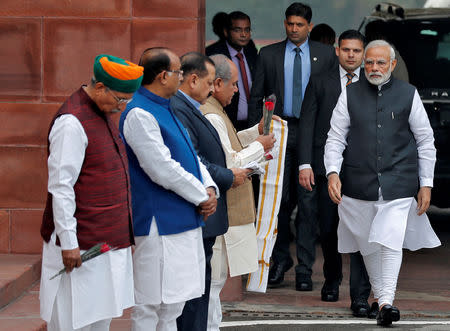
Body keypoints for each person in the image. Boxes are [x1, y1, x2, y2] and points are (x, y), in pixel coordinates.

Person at [325, 40, 441, 326]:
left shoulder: (408, 94)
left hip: (398, 182)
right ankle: (382, 297)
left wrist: (426, 183)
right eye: (369, 63)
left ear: (391, 64)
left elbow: (426, 140)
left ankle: (387, 301)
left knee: (389, 241)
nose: (374, 68)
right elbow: (335, 137)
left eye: (380, 63)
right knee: (368, 246)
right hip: (357, 184)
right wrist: (332, 172)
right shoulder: (349, 94)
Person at [39, 54, 143, 331]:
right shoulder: (71, 122)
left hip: (107, 242)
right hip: (81, 245)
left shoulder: (102, 111)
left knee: (99, 320)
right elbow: (61, 186)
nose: (122, 107)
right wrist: (69, 241)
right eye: (120, 99)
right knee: (74, 321)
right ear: (99, 88)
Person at [119, 47, 218, 331]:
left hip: (183, 217)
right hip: (158, 221)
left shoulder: (166, 105)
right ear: (163, 76)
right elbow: (161, 168)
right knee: (152, 303)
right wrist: (201, 195)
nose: (182, 77)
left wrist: (209, 188)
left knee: (173, 304)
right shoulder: (139, 112)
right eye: (178, 72)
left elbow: (191, 157)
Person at [248, 2, 337, 289]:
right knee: (278, 201)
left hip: (312, 135)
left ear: (309, 26)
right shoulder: (269, 54)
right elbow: (256, 97)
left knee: (309, 204)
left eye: (300, 25)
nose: (294, 29)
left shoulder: (325, 55)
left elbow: (333, 98)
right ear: (284, 24)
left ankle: (304, 270)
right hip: (278, 130)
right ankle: (279, 260)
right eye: (290, 24)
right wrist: (256, 137)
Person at [299, 30, 378, 315]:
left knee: (363, 230)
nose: (351, 55)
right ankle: (332, 279)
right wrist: (305, 164)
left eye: (357, 51)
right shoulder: (320, 81)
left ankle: (363, 291)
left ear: (363, 52)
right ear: (337, 50)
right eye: (346, 50)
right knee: (329, 228)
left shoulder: (374, 83)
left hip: (362, 169)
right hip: (324, 166)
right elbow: (307, 123)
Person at [171, 52, 248, 331]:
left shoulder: (191, 106)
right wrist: (227, 176)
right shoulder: (180, 108)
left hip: (206, 207)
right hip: (196, 208)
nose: (213, 88)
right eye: (208, 83)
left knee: (201, 288)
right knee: (192, 294)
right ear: (193, 80)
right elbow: (193, 160)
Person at [200, 54, 276, 330]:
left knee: (215, 280)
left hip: (225, 207)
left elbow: (229, 144)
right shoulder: (210, 113)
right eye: (233, 85)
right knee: (214, 279)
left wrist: (254, 135)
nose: (237, 90)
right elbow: (231, 162)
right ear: (216, 83)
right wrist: (260, 145)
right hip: (223, 207)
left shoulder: (215, 110)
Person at [206, 11, 258, 131]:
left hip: (253, 123)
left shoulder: (251, 50)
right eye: (237, 30)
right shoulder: (213, 54)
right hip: (226, 122)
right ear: (226, 32)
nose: (243, 34)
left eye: (247, 30)